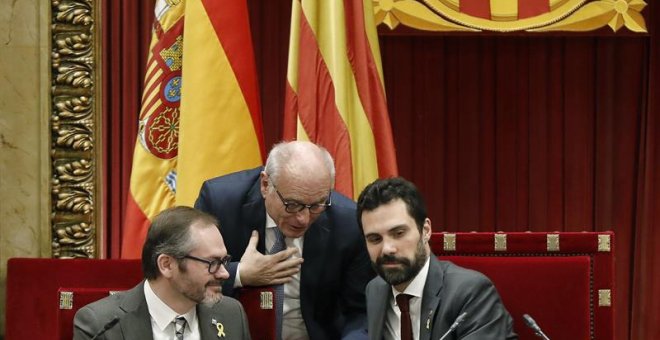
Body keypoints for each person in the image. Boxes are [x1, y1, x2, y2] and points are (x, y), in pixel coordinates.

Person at [195, 141, 374, 340]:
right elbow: (187, 274)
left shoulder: (348, 222)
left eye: (316, 205)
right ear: (265, 185)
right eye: (292, 204)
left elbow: (361, 311)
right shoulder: (220, 202)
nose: (303, 218)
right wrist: (240, 274)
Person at [356, 177, 517, 340]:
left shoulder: (470, 293)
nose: (387, 249)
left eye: (398, 233)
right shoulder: (375, 290)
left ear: (425, 231)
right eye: (375, 239)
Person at [73, 206, 251, 340]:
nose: (224, 274)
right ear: (167, 265)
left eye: (224, 261)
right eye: (213, 263)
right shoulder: (101, 324)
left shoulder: (232, 314)